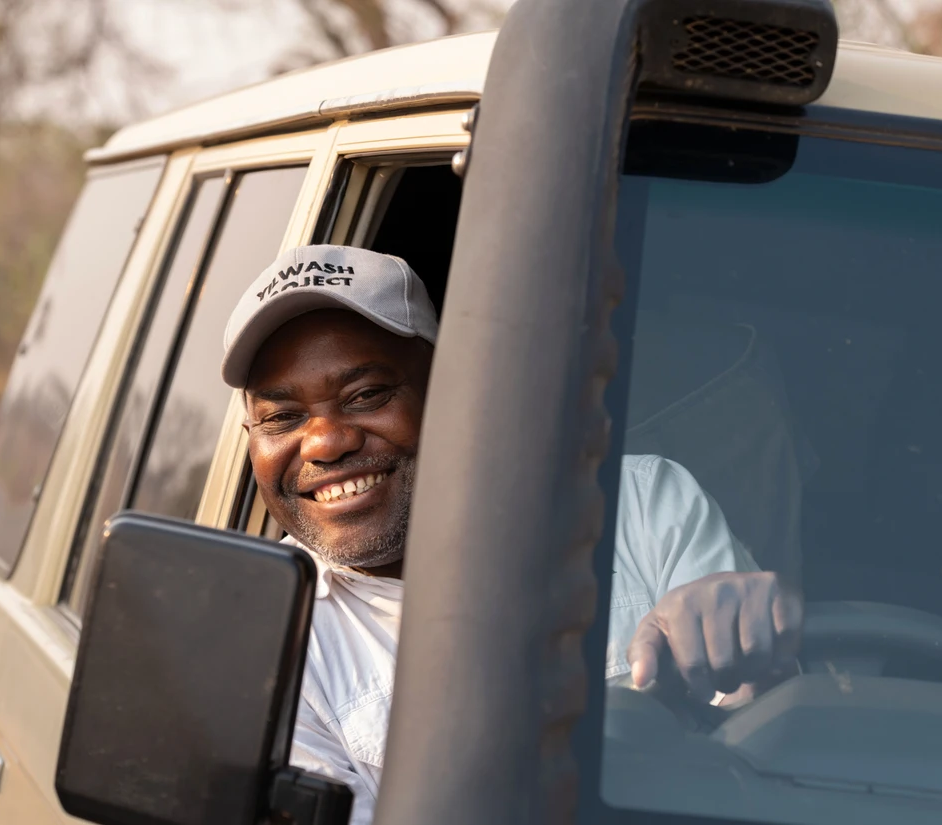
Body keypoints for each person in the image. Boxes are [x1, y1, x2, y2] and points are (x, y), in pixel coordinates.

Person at [220, 244, 802, 825]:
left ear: (458, 389)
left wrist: (746, 645)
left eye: (367, 395)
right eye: (281, 417)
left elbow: (765, 753)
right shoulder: (269, 639)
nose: (325, 442)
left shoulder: (639, 505)